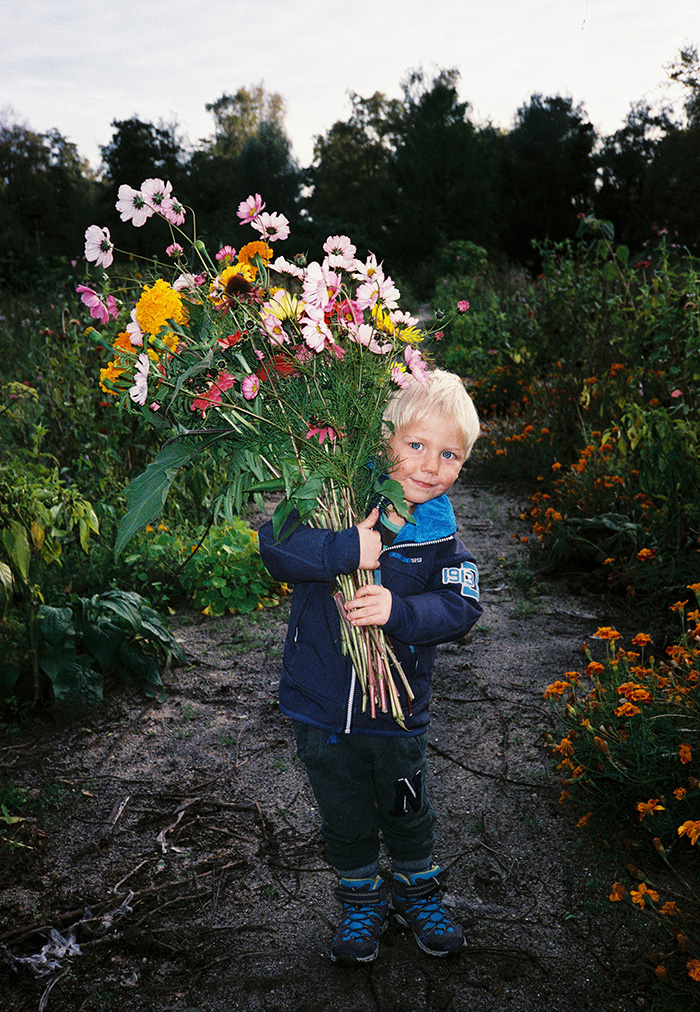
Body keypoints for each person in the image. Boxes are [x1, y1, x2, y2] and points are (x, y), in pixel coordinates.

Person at [258, 368, 482, 965]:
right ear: (383, 443)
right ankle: (361, 899)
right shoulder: (335, 501)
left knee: (407, 805)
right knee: (344, 810)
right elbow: (276, 548)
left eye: (450, 454)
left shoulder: (441, 536)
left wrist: (400, 611)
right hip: (323, 703)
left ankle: (418, 890)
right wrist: (344, 549)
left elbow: (463, 605)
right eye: (416, 446)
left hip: (397, 707)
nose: (430, 467)